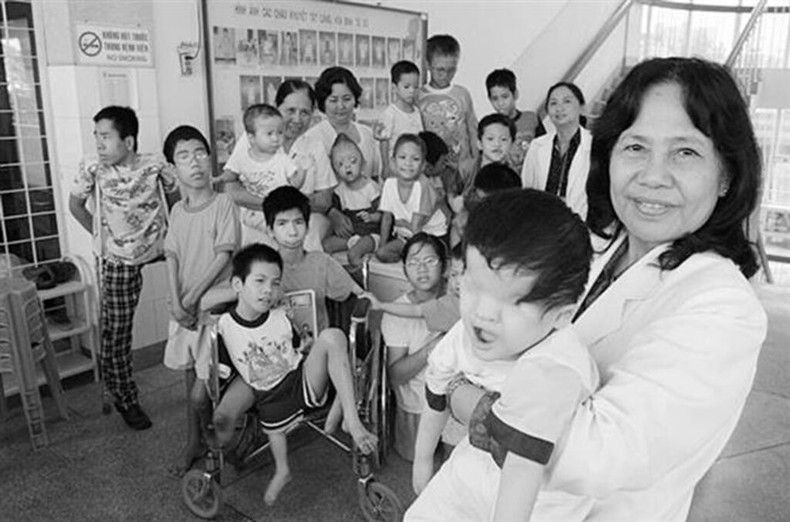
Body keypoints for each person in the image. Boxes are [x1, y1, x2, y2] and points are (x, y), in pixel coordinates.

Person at [441, 57, 768, 522]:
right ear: (609, 155)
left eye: (686, 152)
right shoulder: (596, 251)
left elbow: (595, 455)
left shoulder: (722, 307)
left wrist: (457, 390)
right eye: (635, 147)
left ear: (726, 176)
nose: (653, 176)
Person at [406, 189, 597, 521]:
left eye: (513, 301)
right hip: (474, 467)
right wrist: (422, 460)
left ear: (561, 316)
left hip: (542, 498)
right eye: (476, 285)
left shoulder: (556, 370)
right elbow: (436, 391)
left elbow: (522, 469)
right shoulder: (464, 334)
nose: (484, 313)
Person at [211, 243, 377, 506]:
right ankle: (279, 470)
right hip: (267, 396)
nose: (269, 290)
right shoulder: (224, 326)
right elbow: (223, 371)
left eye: (275, 283)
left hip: (301, 381)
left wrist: (311, 346)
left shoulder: (280, 316)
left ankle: (353, 423)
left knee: (333, 336)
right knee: (259, 428)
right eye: (260, 281)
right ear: (238, 285)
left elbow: (300, 347)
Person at [69, 106, 177, 430]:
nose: (99, 144)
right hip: (117, 256)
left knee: (193, 302)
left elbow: (175, 198)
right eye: (96, 136)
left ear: (128, 140)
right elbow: (75, 205)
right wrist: (103, 239)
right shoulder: (92, 167)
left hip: (159, 247)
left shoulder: (155, 164)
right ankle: (125, 398)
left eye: (106, 136)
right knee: (116, 331)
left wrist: (175, 235)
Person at [161, 125, 240, 476]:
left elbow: (224, 256)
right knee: (186, 380)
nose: (194, 162)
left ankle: (217, 439)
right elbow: (172, 258)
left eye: (199, 153)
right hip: (185, 311)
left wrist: (192, 298)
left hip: (213, 311)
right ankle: (193, 441)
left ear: (210, 157)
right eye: (183, 156)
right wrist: (176, 302)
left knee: (202, 391)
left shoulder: (224, 202)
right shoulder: (177, 211)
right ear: (173, 168)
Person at [226, 80, 338, 252]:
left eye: (305, 113)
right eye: (290, 111)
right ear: (276, 108)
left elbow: (324, 200)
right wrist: (271, 204)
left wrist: (286, 206)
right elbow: (232, 190)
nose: (297, 119)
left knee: (305, 237)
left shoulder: (314, 145)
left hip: (303, 218)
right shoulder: (252, 139)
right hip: (256, 219)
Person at [381, 233, 448, 461]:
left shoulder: (457, 299)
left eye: (430, 261)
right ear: (404, 270)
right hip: (419, 399)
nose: (421, 269)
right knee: (415, 457)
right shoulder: (396, 313)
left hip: (457, 391)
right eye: (413, 262)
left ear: (445, 265)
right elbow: (395, 377)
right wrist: (432, 349)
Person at [222, 104, 305, 246]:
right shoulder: (243, 157)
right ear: (251, 138)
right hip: (250, 214)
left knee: (282, 242)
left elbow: (295, 183)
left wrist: (303, 170)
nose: (276, 138)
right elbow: (229, 179)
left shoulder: (282, 158)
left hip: (278, 214)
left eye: (280, 133)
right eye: (270, 134)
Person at [521, 81, 591, 219]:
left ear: (582, 108)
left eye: (567, 101)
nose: (559, 108)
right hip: (543, 223)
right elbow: (527, 188)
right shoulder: (537, 146)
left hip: (580, 225)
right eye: (553, 103)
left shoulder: (595, 147)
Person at [376, 134, 448, 263]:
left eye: (415, 159)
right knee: (382, 254)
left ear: (423, 165)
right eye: (402, 157)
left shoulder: (422, 185)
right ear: (393, 161)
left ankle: (410, 258)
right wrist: (381, 245)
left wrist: (416, 256)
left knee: (420, 260)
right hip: (407, 236)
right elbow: (386, 218)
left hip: (431, 236)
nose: (408, 163)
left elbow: (417, 227)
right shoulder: (389, 184)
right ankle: (407, 256)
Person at [303, 66, 382, 181]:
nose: (341, 106)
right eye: (333, 100)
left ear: (355, 99)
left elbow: (375, 176)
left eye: (347, 99)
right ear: (323, 102)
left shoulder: (367, 134)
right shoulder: (312, 138)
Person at [418, 34, 478, 183]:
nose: (445, 75)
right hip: (430, 170)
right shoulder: (418, 96)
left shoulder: (462, 94)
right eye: (440, 69)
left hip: (460, 168)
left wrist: (474, 160)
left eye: (451, 70)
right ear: (427, 64)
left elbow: (472, 129)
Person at [322, 134, 382, 281]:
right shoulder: (339, 191)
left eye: (353, 161)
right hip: (352, 237)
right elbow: (336, 220)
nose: (347, 166)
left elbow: (383, 215)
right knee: (326, 244)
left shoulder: (371, 188)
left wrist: (372, 217)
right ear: (335, 170)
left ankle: (360, 279)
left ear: (363, 163)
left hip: (371, 235)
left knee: (354, 254)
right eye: (340, 164)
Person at [450, 162, 521, 248]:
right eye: (476, 195)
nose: (480, 206)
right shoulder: (467, 212)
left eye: (485, 203)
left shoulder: (512, 237)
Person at [485, 68, 543, 172]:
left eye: (505, 97)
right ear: (489, 99)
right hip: (506, 183)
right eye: (495, 98)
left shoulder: (531, 118)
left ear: (515, 94)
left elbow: (545, 150)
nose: (500, 103)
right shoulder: (489, 128)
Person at [375, 60, 424, 170]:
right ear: (394, 88)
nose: (412, 91)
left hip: (412, 168)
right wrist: (385, 167)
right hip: (394, 168)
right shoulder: (390, 113)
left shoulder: (417, 112)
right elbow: (384, 142)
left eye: (416, 87)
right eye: (406, 87)